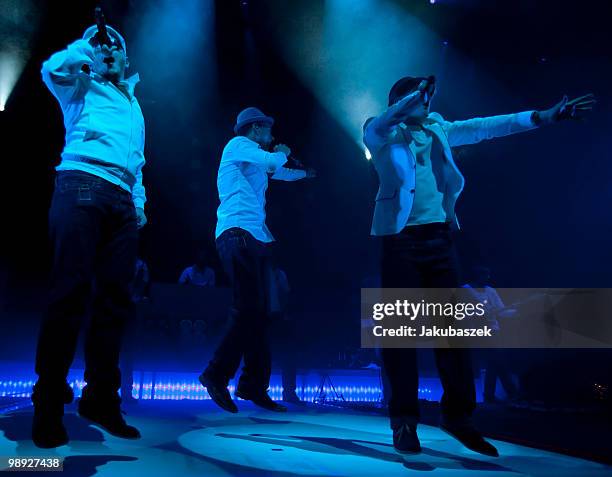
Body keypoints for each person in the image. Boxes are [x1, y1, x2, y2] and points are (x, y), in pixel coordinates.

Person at [363, 75, 594, 456]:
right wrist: (412, 98)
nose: (426, 102)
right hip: (399, 241)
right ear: (400, 102)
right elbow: (386, 119)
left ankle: (458, 418)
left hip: (439, 239)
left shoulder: (439, 128)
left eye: (426, 96)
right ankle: (404, 421)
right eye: (417, 97)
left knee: (452, 332)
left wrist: (543, 117)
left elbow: (487, 127)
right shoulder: (379, 131)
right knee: (399, 337)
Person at [32, 23, 148, 448]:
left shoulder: (134, 103)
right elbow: (51, 69)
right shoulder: (79, 83)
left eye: (115, 47)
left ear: (126, 57)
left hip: (121, 200)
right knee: (70, 293)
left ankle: (100, 399)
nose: (109, 52)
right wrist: (85, 48)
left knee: (115, 303)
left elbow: (137, 160)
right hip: (80, 184)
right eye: (103, 47)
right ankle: (47, 403)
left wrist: (138, 205)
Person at [199, 107, 315, 413]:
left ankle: (253, 385)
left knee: (263, 313)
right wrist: (284, 152)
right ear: (255, 128)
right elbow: (272, 161)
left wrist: (305, 173)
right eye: (268, 129)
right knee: (248, 307)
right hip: (237, 232)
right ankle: (215, 375)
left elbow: (279, 172)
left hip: (257, 237)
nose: (273, 136)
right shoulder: (238, 146)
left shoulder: (254, 156)